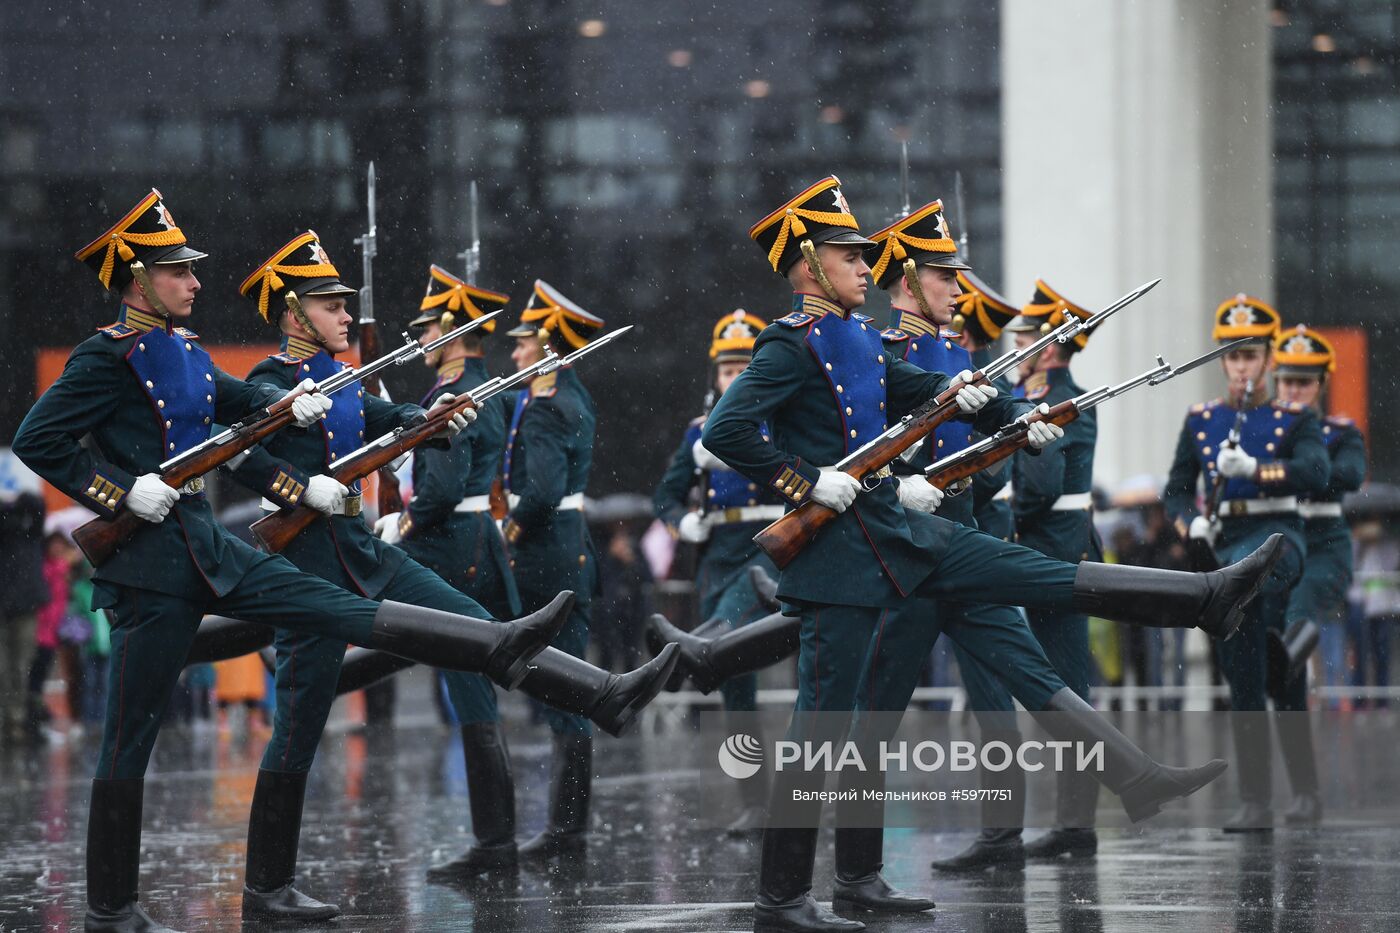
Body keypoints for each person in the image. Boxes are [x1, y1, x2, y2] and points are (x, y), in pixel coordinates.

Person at [702, 177, 1283, 932]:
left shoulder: (857, 336)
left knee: (1035, 574)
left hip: (903, 533)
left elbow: (930, 390)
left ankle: (1203, 597)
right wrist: (807, 479)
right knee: (825, 724)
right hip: (841, 555)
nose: (863, 266)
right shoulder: (790, 343)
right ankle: (781, 899)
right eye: (849, 255)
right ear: (809, 264)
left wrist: (1017, 412)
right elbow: (725, 429)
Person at [12, 190, 577, 933]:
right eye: (178, 271)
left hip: (204, 548)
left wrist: (292, 404)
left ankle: (492, 643)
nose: (195, 281)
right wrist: (117, 492)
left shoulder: (186, 352)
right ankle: (109, 907)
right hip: (147, 565)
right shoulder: (104, 356)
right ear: (138, 280)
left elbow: (241, 406)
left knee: (329, 609)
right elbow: (39, 439)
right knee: (129, 737)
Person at [1163, 294, 1329, 832]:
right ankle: (1258, 799)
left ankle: (1296, 792)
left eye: (1250, 356)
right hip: (1226, 544)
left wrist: (1257, 468)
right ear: (1223, 361)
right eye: (1232, 357)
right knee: (1250, 677)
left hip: (1278, 539)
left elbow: (1316, 472)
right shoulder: (1202, 420)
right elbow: (1176, 490)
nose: (1241, 367)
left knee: (1269, 661)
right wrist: (1192, 524)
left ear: (1267, 361)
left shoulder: (1294, 419)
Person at [652, 308, 786, 832]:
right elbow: (664, 495)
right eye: (725, 371)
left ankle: (677, 657)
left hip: (765, 544)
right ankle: (756, 800)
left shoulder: (777, 422)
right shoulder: (697, 432)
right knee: (735, 684)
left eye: (741, 369)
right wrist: (684, 522)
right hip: (717, 549)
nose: (732, 378)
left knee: (725, 635)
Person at [501, 280, 608, 860]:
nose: (515, 354)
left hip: (547, 557)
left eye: (524, 344)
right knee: (566, 689)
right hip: (571, 551)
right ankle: (569, 825)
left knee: (565, 693)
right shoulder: (575, 395)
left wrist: (508, 531)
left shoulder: (546, 408)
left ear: (546, 348)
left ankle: (568, 829)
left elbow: (541, 493)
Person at [1271, 324, 1367, 823]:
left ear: (1320, 386)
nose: (1293, 391)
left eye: (1304, 383)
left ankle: (1283, 654)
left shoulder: (1339, 432)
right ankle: (1303, 791)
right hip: (1276, 543)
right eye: (1287, 381)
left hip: (1324, 544)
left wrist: (1298, 464)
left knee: (1301, 613)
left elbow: (1350, 474)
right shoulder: (1261, 430)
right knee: (1286, 682)